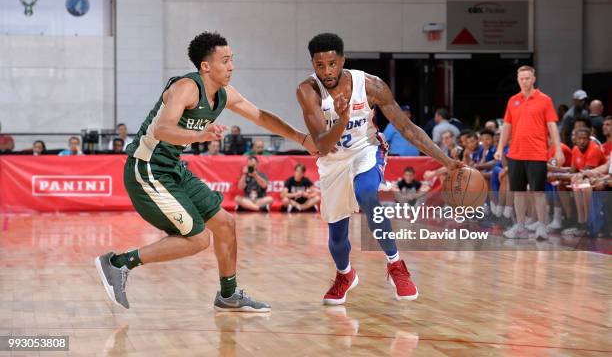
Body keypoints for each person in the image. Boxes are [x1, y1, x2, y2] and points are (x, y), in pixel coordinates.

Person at [95, 32, 316, 313]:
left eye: (232, 60)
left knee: (225, 224)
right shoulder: (186, 88)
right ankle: (118, 263)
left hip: (173, 168)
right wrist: (198, 135)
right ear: (206, 66)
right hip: (146, 168)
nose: (231, 66)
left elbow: (260, 116)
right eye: (225, 60)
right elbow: (163, 129)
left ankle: (228, 294)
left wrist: (300, 138)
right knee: (199, 239)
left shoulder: (224, 95)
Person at [295, 33, 462, 305]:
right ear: (312, 64)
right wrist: (343, 118)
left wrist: (446, 160)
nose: (327, 71)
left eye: (332, 64)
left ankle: (396, 264)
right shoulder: (307, 91)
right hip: (333, 160)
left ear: (342, 61)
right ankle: (345, 274)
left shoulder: (370, 85)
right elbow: (323, 145)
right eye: (320, 65)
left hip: (365, 150)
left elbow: (407, 128)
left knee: (368, 194)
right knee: (337, 236)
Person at [495, 65, 564, 240]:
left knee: (538, 192)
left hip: (537, 153)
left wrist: (558, 150)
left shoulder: (545, 100)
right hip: (516, 153)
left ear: (533, 79)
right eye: (521, 78)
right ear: (518, 80)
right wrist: (499, 148)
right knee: (517, 192)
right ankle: (519, 226)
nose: (524, 81)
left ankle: (541, 226)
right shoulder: (513, 100)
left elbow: (552, 126)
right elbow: (507, 127)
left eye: (527, 78)